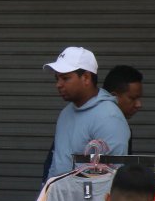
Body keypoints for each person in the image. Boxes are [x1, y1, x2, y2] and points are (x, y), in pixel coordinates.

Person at [43, 47, 130, 179]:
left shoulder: (109, 117)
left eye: (65, 78)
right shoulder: (65, 113)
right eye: (57, 78)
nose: (58, 84)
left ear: (86, 78)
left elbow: (110, 177)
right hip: (59, 197)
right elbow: (57, 163)